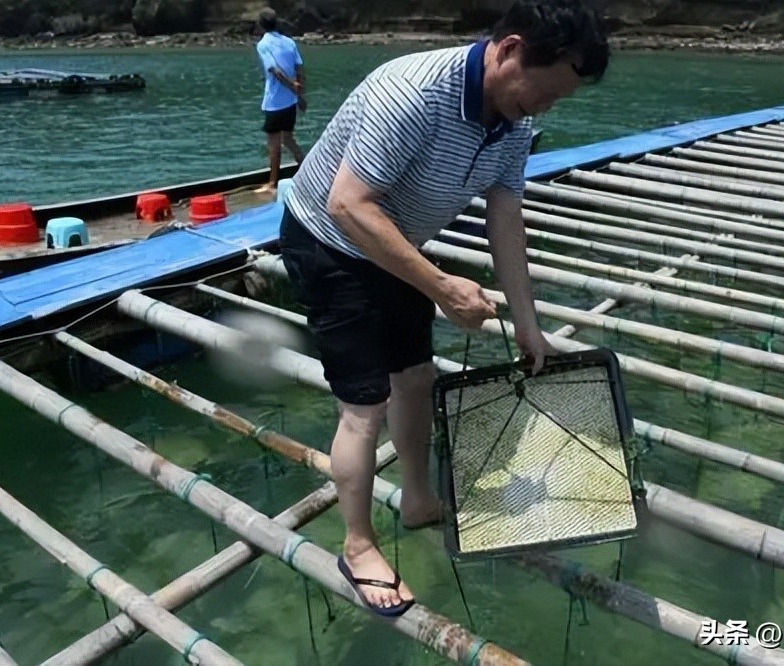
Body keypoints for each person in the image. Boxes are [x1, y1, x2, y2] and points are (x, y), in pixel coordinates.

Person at [279, 0, 608, 616]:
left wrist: (529, 325)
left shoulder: (512, 122)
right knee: (364, 403)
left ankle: (418, 499)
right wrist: (440, 285)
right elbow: (347, 205)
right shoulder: (413, 92)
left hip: (396, 240)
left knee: (415, 377)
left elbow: (505, 217)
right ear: (510, 50)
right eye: (544, 91)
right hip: (327, 240)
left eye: (558, 100)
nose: (544, 107)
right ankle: (357, 546)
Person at [255, 7, 306, 194]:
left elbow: (274, 70)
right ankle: (307, 167)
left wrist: (292, 87)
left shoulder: (263, 44)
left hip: (275, 102)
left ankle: (272, 183)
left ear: (260, 25)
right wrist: (299, 94)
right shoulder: (289, 42)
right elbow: (299, 68)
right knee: (288, 138)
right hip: (290, 101)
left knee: (274, 144)